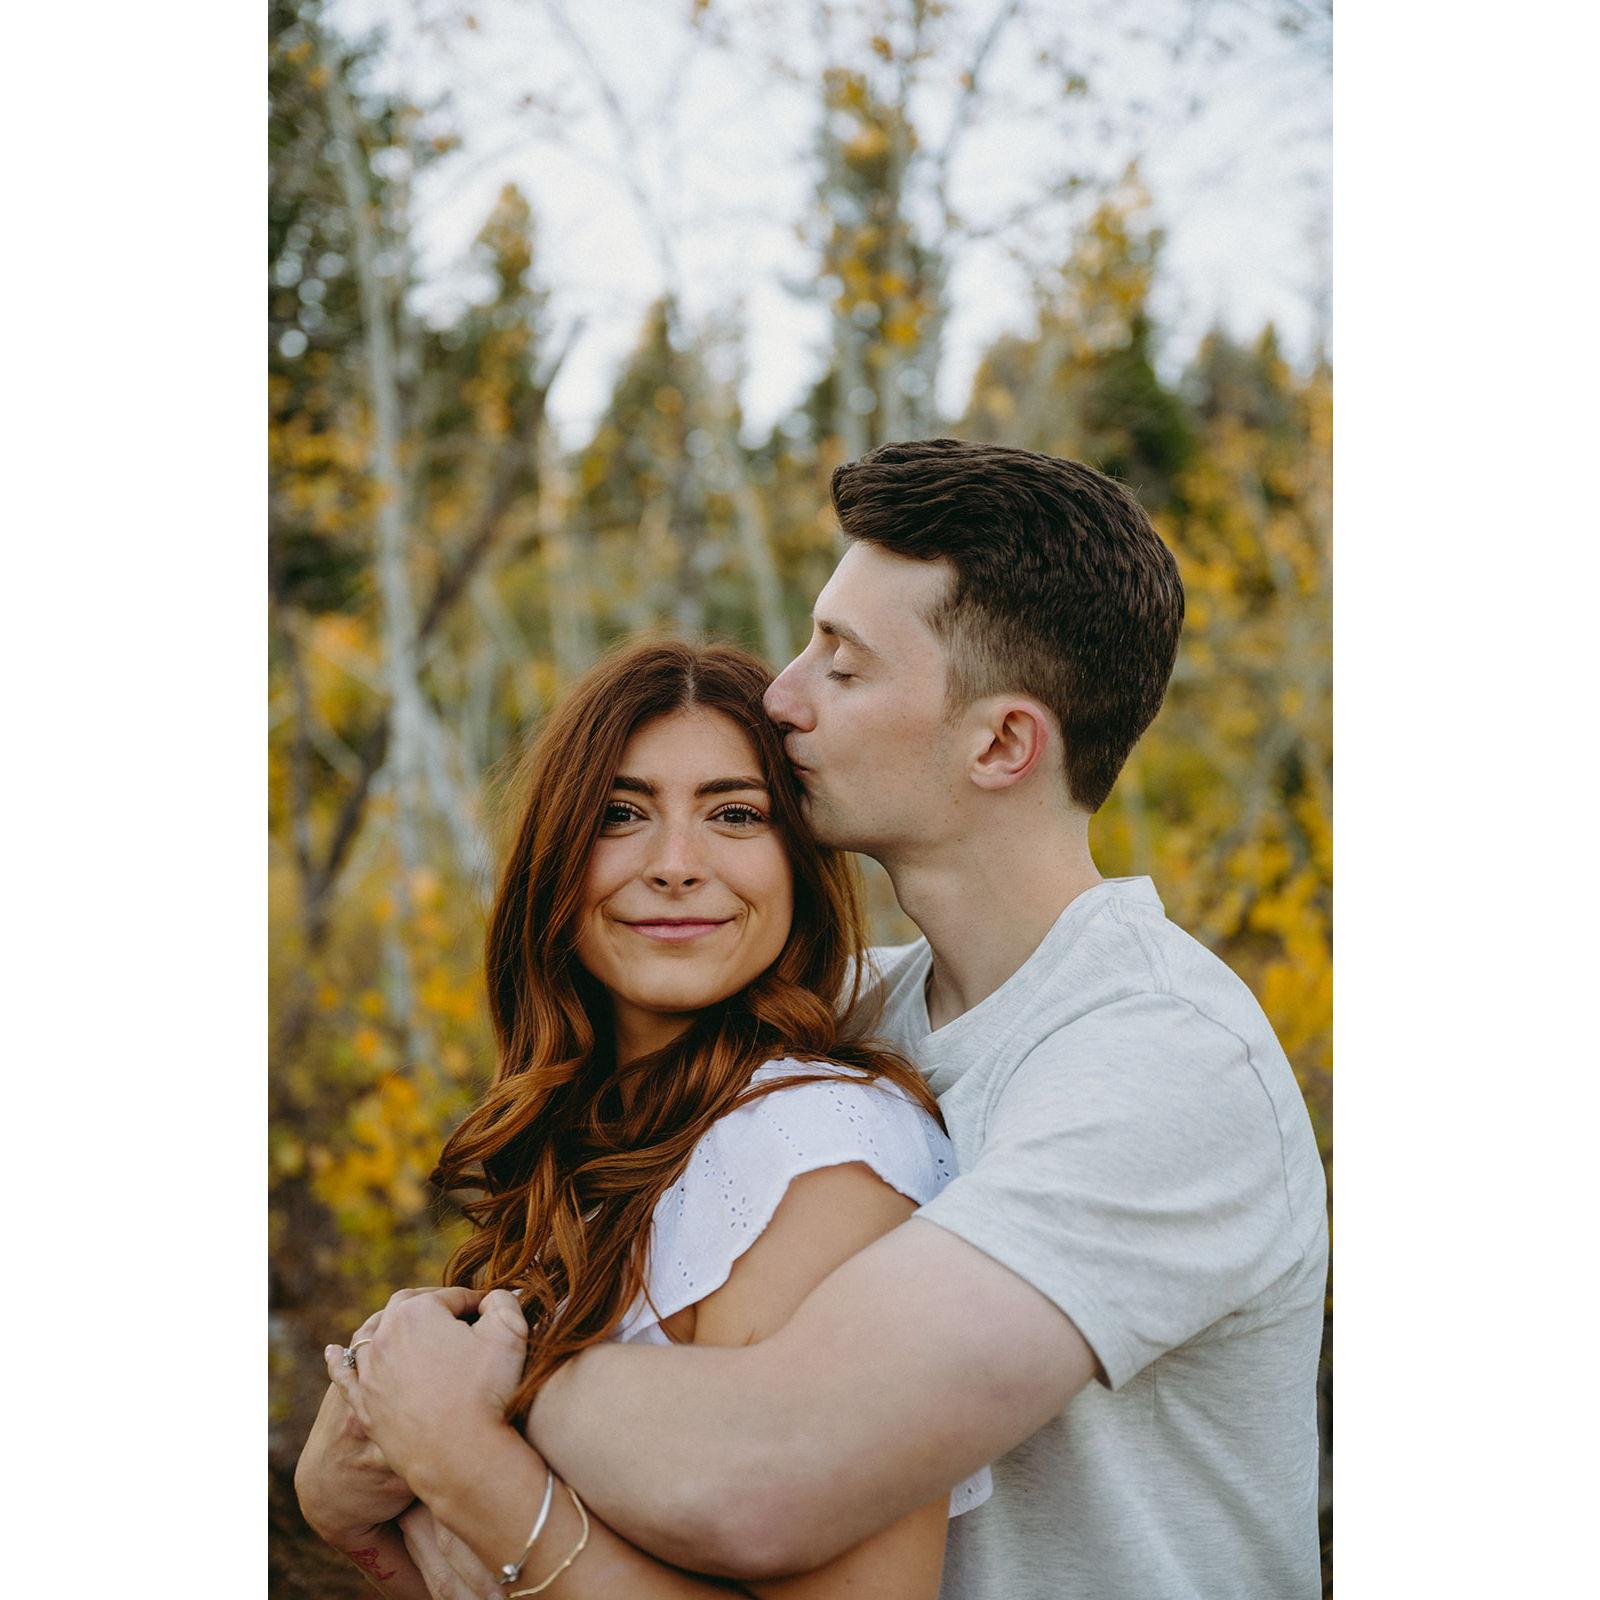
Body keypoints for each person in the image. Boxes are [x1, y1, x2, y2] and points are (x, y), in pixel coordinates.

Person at [325, 439, 1329, 1599]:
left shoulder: (1160, 1065)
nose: (782, 696)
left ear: (1001, 743)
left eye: (842, 667)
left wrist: (474, 1397)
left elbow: (764, 1473)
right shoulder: (860, 1010)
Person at [295, 638, 992, 1599]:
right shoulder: (597, 1136)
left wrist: (457, 1459)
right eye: (621, 814)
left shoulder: (816, 1156)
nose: (674, 866)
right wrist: (340, 1509)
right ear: (556, 854)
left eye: (735, 814)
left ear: (798, 859)